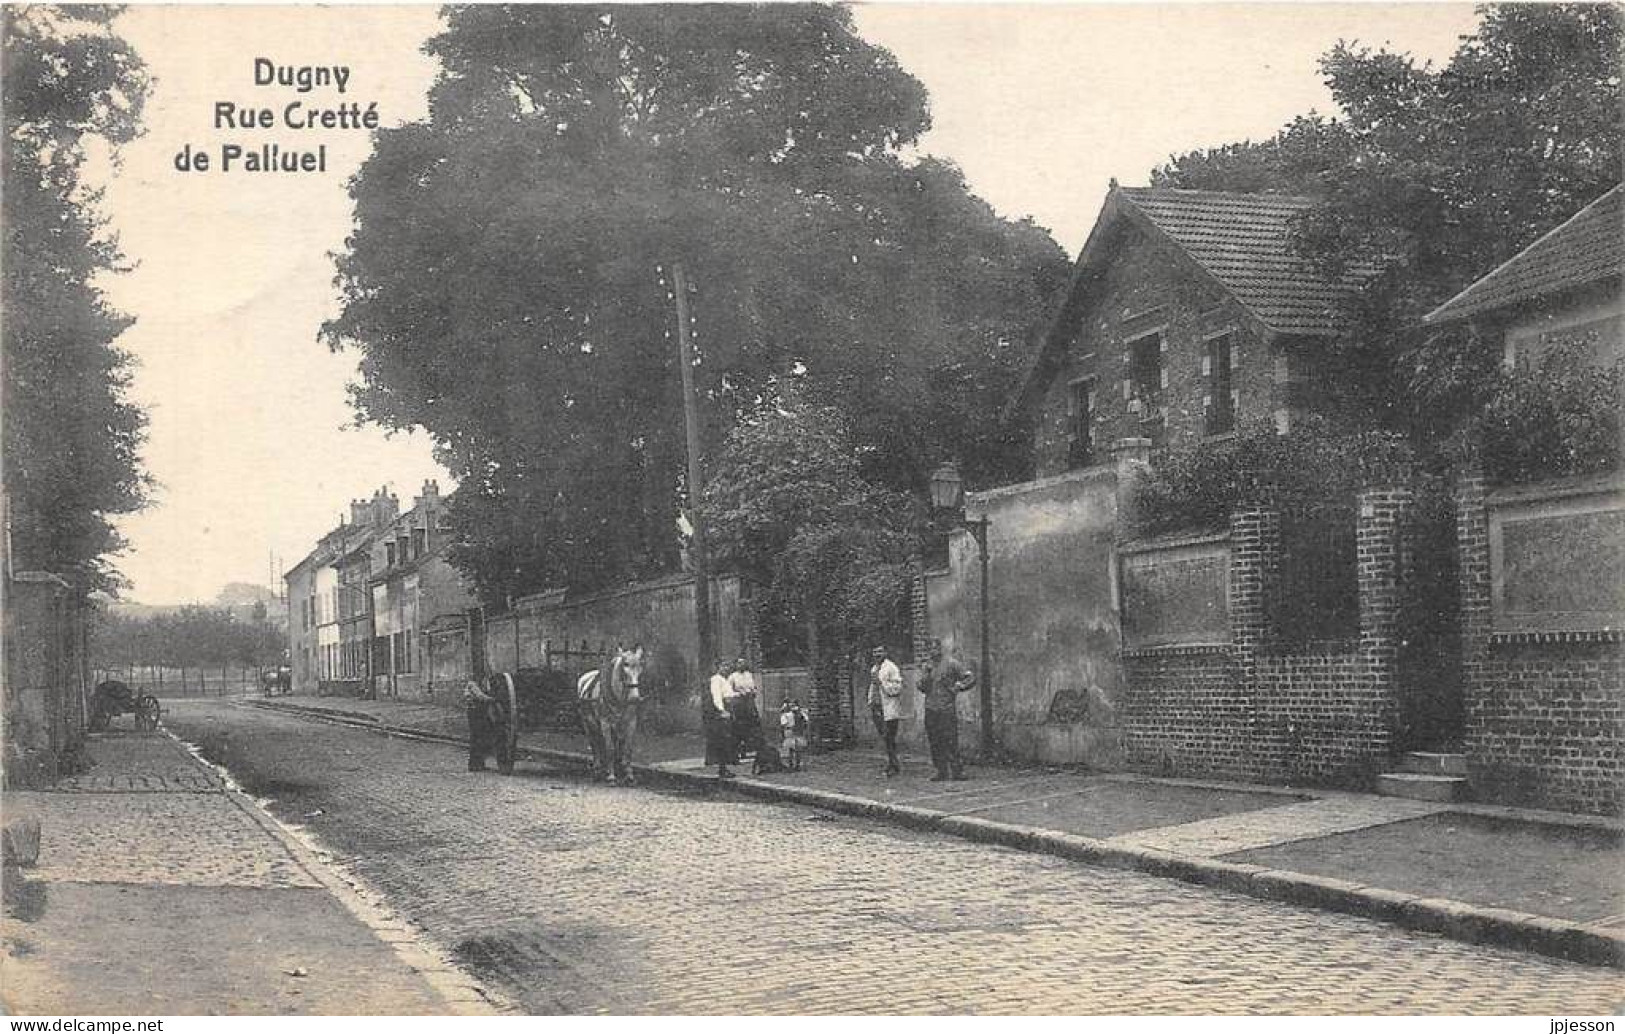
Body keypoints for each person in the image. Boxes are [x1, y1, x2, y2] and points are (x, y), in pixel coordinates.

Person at [919, 642, 977, 782]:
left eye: (935, 648)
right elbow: (921, 687)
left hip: (946, 708)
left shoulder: (952, 664)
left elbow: (969, 677)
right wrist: (925, 676)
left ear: (940, 649)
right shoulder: (927, 666)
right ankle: (941, 770)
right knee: (935, 741)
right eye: (930, 649)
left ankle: (957, 770)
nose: (933, 651)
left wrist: (960, 686)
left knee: (951, 739)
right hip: (931, 707)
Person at [462, 675, 512, 774]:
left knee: (481, 738)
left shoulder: (483, 683)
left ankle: (479, 763)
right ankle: (474, 764)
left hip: (481, 713)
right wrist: (493, 699)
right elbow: (480, 696)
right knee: (476, 737)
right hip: (474, 712)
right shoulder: (472, 685)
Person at [867, 645, 904, 776]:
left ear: (885, 653)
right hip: (877, 706)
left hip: (888, 708)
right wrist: (871, 701)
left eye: (880, 652)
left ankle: (893, 765)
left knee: (890, 736)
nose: (877, 654)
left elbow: (897, 688)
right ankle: (892, 762)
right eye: (875, 652)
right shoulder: (874, 668)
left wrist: (882, 684)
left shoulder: (891, 668)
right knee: (885, 737)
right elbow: (873, 687)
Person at [703, 658, 737, 779]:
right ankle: (722, 769)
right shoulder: (716, 680)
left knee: (726, 740)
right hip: (721, 711)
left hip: (728, 709)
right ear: (718, 667)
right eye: (723, 666)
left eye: (727, 666)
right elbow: (716, 696)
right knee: (722, 740)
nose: (726, 668)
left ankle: (724, 767)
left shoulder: (725, 680)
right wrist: (722, 710)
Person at [728, 657, 764, 762]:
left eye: (743, 663)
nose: (741, 665)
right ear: (736, 665)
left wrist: (752, 692)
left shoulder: (749, 675)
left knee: (753, 726)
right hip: (739, 704)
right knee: (739, 727)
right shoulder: (732, 677)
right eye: (739, 663)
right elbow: (729, 692)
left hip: (749, 703)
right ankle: (737, 752)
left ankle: (754, 750)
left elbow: (754, 688)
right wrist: (739, 694)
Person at [779, 698, 809, 772]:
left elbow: (783, 724)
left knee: (792, 748)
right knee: (796, 748)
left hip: (791, 731)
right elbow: (806, 721)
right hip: (796, 731)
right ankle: (795, 764)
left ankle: (793, 764)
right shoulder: (801, 713)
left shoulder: (787, 715)